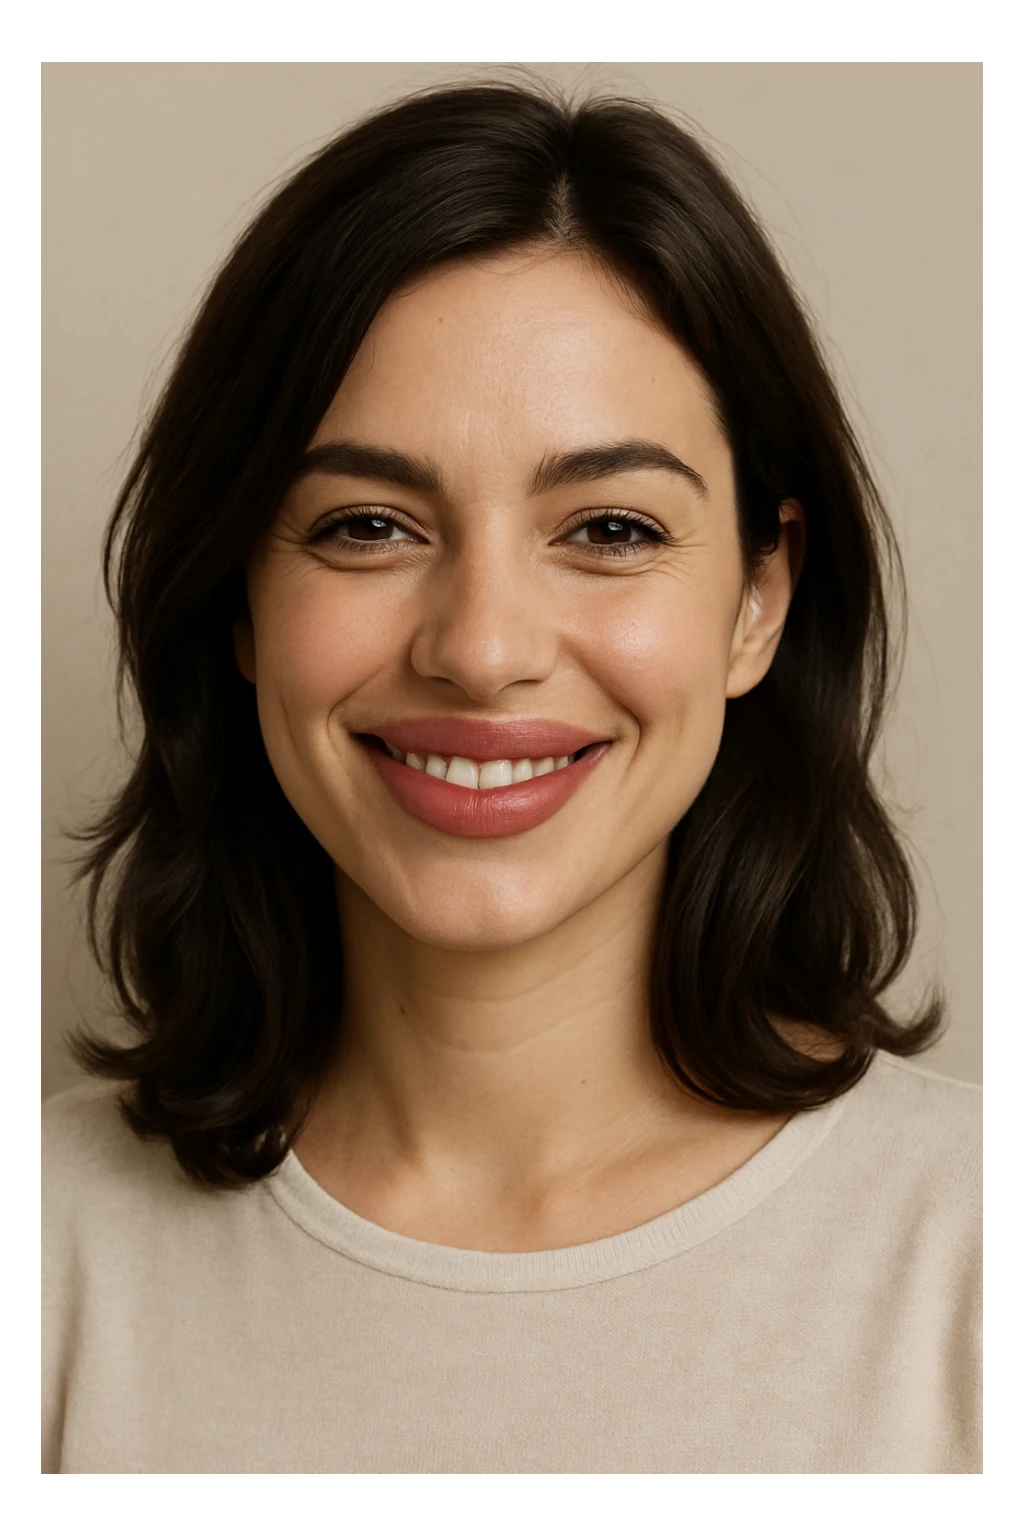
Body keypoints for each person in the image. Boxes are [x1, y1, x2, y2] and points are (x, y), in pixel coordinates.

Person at [42, 78, 980, 1475]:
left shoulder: (978, 1253)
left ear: (760, 600)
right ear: (236, 598)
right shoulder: (39, 1255)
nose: (480, 651)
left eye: (607, 526)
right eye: (366, 525)